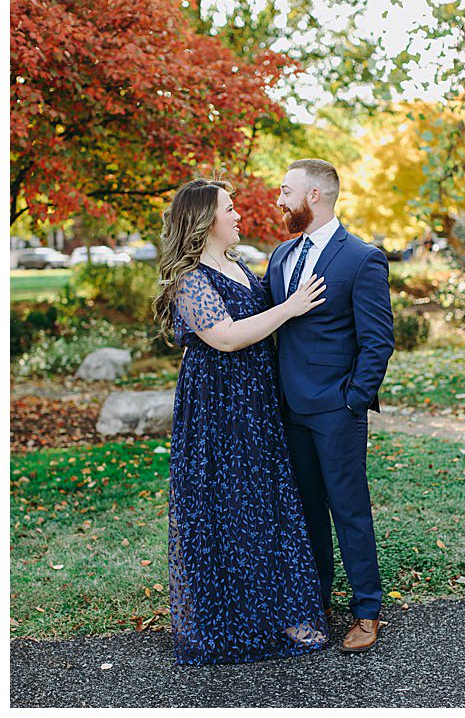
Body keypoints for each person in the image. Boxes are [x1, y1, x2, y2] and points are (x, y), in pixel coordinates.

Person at [154, 179, 330, 664]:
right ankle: (233, 620)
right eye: (229, 209)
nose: (237, 215)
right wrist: (289, 308)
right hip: (218, 406)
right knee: (228, 507)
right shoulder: (189, 277)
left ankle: (277, 611)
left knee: (265, 501)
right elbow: (226, 338)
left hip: (256, 400)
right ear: (206, 221)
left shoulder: (234, 263)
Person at [268, 159, 396, 653]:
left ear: (315, 196)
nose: (280, 201)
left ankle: (367, 610)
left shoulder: (361, 258)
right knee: (307, 514)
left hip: (336, 411)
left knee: (349, 511)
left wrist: (352, 401)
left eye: (286, 191)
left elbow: (378, 342)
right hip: (288, 409)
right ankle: (316, 602)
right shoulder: (279, 257)